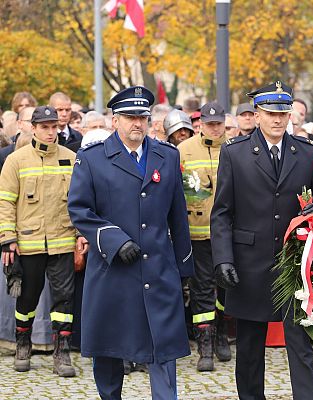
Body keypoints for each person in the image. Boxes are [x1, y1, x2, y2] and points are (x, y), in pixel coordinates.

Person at [67, 86, 194, 399]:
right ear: (115, 121)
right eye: (129, 117)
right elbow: (79, 209)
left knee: (163, 349)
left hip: (158, 269)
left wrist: (185, 267)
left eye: (142, 116)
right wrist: (113, 240)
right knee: (109, 351)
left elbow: (178, 215)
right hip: (113, 272)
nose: (137, 122)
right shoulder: (92, 159)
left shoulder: (167, 155)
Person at [211, 80, 313, 399]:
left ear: (290, 115)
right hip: (250, 262)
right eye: (270, 113)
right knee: (249, 346)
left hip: (294, 261)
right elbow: (222, 211)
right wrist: (223, 259)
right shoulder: (234, 153)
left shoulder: (305, 152)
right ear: (257, 115)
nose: (277, 119)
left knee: (300, 343)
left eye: (283, 113)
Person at [0, 106, 83, 377]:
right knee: (27, 299)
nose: (50, 132)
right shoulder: (17, 160)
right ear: (33, 128)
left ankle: (62, 352)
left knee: (64, 301)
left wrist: (81, 236)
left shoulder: (71, 158)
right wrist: (7, 240)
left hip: (62, 240)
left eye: (54, 127)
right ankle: (23, 344)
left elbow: (81, 202)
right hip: (28, 242)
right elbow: (6, 202)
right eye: (44, 127)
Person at [178, 101, 231, 372]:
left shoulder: (235, 147)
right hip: (197, 232)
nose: (214, 128)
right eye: (209, 124)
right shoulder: (184, 151)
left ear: (224, 123)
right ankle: (205, 345)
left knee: (225, 287)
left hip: (228, 233)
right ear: (199, 124)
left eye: (218, 124)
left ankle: (221, 330)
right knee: (201, 290)